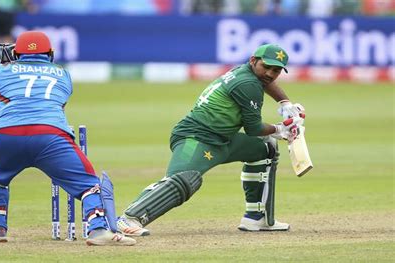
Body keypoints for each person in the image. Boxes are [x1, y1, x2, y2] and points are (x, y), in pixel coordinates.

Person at [0, 31, 136, 246]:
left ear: (16, 53)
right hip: (51, 135)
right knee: (88, 184)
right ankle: (98, 230)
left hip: (7, 135)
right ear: (51, 53)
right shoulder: (63, 74)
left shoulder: (1, 70)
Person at [117, 44, 305, 236]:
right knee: (184, 179)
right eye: (266, 67)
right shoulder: (247, 84)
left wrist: (284, 102)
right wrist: (281, 129)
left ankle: (256, 218)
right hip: (195, 138)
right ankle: (129, 218)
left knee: (264, 149)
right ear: (253, 61)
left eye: (276, 70)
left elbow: (266, 82)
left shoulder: (247, 72)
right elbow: (254, 128)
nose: (270, 74)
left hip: (223, 140)